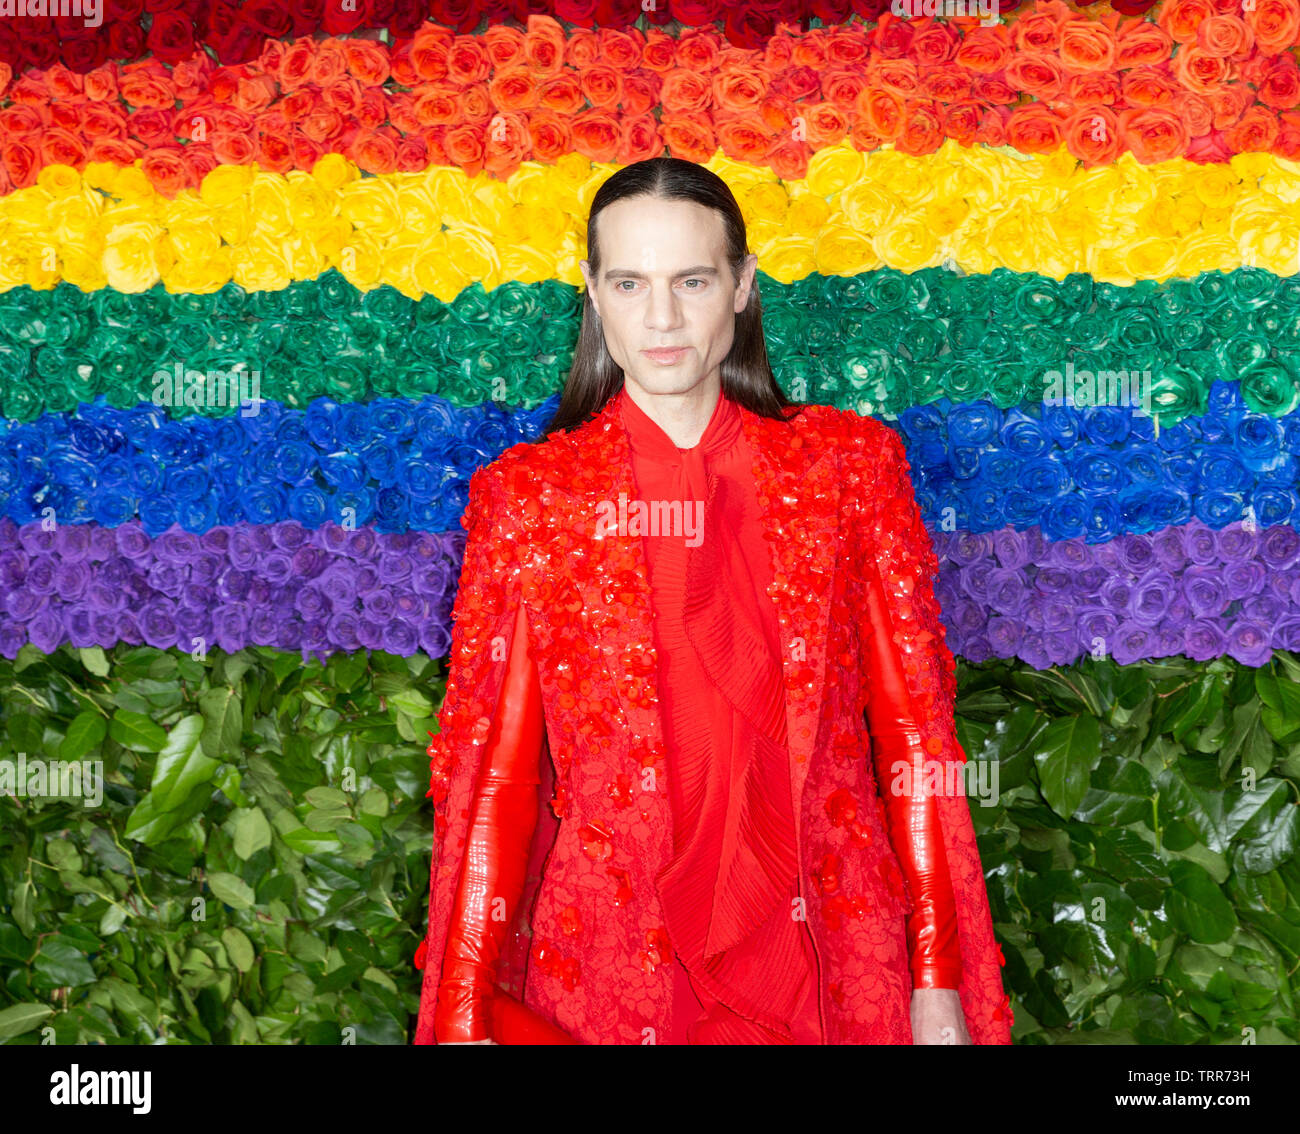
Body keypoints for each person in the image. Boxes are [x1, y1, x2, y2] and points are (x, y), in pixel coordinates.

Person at [412, 157, 1012, 1045]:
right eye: (630, 282)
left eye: (692, 280)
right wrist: (464, 1012)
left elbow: (916, 735)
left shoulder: (849, 469)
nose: (661, 318)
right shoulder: (532, 496)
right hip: (616, 961)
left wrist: (936, 978)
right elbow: (495, 775)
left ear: (741, 286)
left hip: (836, 950)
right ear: (594, 295)